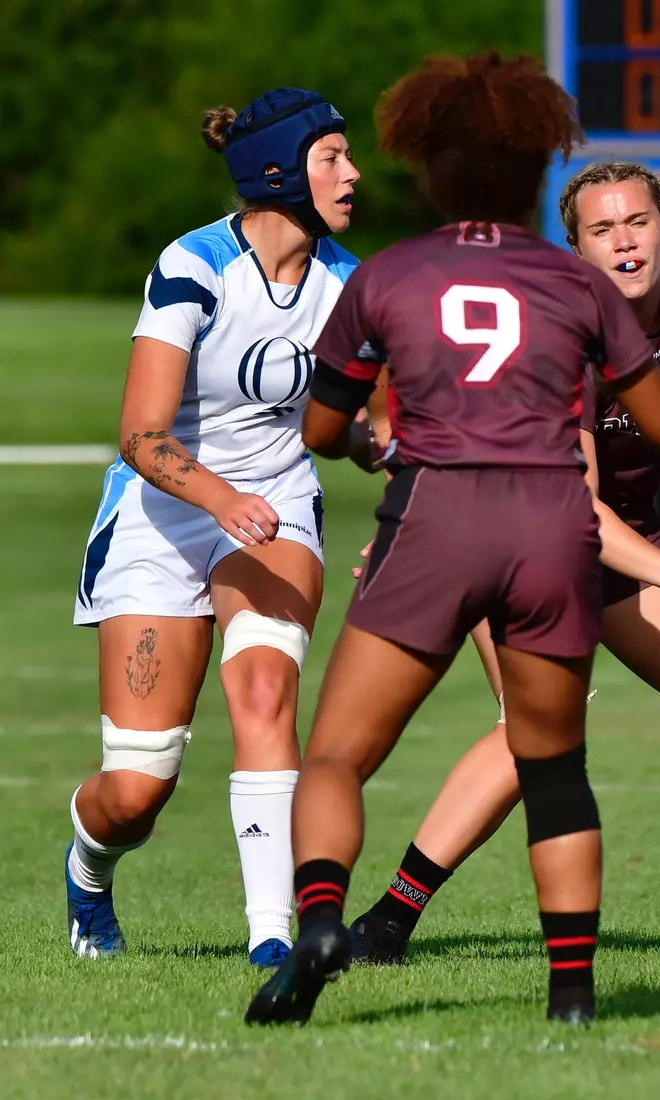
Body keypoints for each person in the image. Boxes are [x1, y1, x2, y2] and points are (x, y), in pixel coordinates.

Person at [244, 51, 660, 1027]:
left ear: (430, 168)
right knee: (554, 764)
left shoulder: (390, 272)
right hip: (550, 526)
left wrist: (371, 438)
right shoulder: (576, 280)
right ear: (537, 172)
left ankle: (321, 915)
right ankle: (571, 992)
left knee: (335, 758)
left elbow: (322, 431)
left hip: (437, 513)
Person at [345, 161, 660, 965]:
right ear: (573, 246)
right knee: (529, 736)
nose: (625, 241)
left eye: (638, 222)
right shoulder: (559, 326)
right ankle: (385, 921)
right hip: (522, 538)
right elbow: (576, 509)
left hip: (629, 537)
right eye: (602, 229)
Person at [65, 89, 363, 967]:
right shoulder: (193, 266)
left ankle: (274, 939)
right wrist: (221, 498)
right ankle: (87, 870)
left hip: (276, 509)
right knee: (137, 785)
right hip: (162, 516)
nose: (354, 174)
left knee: (264, 694)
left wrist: (386, 453)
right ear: (276, 171)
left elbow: (354, 423)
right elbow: (142, 434)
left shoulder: (349, 281)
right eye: (333, 157)